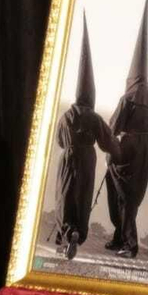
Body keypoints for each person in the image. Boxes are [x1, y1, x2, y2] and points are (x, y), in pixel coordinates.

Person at [52, 16, 115, 258]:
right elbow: (107, 141)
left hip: (68, 156)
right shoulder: (95, 117)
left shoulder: (66, 116)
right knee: (83, 196)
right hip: (88, 157)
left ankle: (66, 232)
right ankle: (78, 231)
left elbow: (59, 140)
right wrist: (116, 152)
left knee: (64, 195)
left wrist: (70, 145)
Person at [104, 0, 148, 258]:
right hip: (146, 147)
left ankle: (129, 244)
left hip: (128, 146)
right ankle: (119, 237)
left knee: (121, 194)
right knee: (131, 195)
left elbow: (114, 126)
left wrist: (109, 147)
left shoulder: (128, 96)